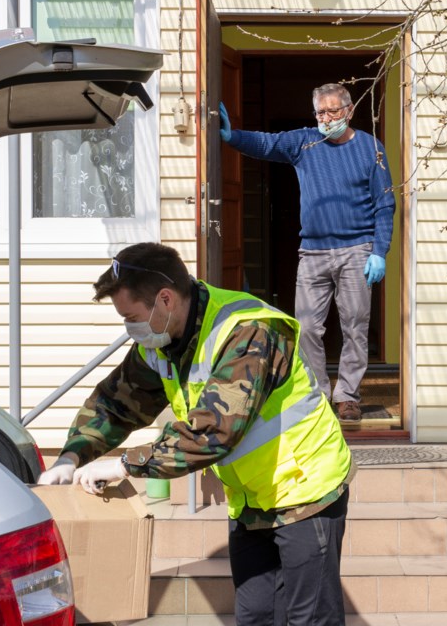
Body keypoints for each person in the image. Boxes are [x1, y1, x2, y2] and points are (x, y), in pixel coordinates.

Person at [37, 242, 354, 626]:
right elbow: (117, 402)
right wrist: (73, 455)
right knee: (256, 617)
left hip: (306, 490)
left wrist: (125, 466)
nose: (128, 328)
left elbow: (214, 433)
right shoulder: (161, 343)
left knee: (312, 620)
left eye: (131, 316)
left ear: (165, 300)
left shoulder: (247, 332)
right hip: (253, 499)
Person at [218, 83, 396, 424]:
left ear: (349, 110)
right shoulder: (305, 141)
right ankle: (317, 393)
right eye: (320, 112)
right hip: (312, 252)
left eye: (332, 111)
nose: (326, 119)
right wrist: (232, 137)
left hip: (357, 250)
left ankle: (347, 396)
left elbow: (385, 203)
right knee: (307, 328)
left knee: (355, 326)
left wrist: (380, 251)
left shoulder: (371, 149)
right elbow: (267, 143)